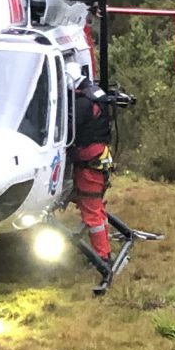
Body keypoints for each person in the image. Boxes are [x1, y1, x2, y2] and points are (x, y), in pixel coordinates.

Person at [70, 69, 115, 269]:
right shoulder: (96, 94)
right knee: (98, 208)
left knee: (92, 212)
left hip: (88, 163)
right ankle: (105, 251)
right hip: (99, 158)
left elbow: (69, 129)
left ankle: (101, 258)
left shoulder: (82, 103)